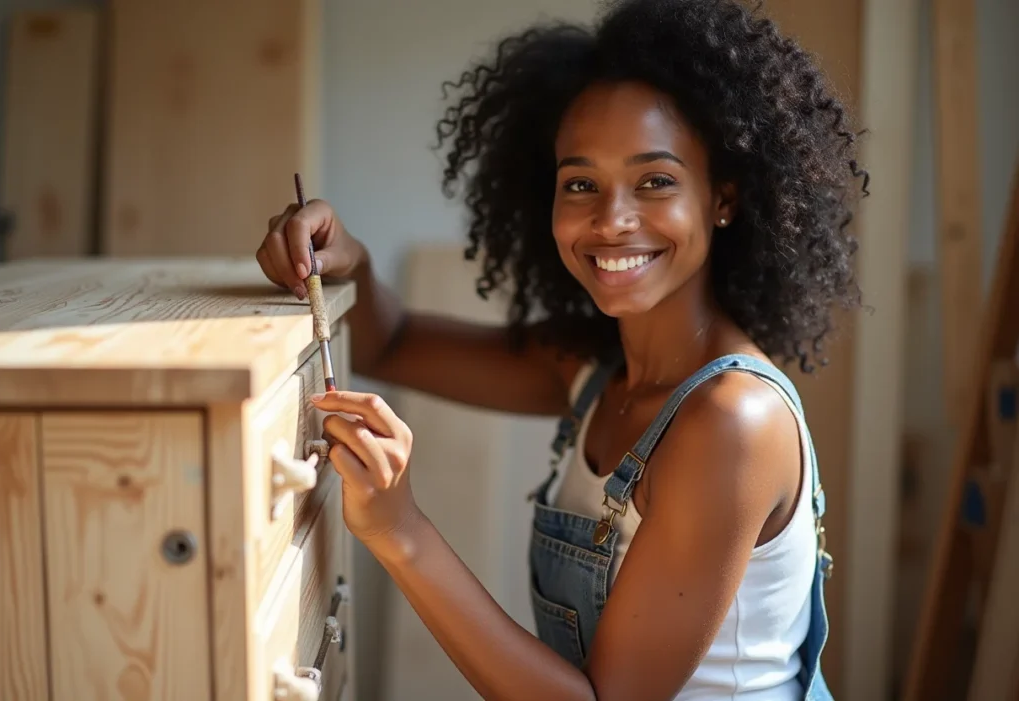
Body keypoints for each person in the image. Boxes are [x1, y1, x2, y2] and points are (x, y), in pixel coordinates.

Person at [255, 0, 867, 697]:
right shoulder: (595, 369)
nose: (611, 220)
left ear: (722, 198)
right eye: (581, 184)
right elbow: (390, 343)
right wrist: (348, 261)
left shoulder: (731, 422)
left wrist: (402, 531)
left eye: (655, 181)